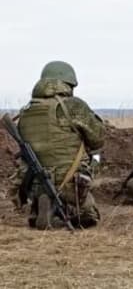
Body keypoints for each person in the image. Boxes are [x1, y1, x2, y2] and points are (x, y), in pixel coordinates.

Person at [9, 61, 105, 229]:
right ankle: (69, 207)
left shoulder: (26, 111)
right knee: (90, 216)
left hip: (35, 183)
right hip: (71, 183)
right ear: (68, 84)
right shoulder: (73, 105)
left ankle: (39, 207)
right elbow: (97, 139)